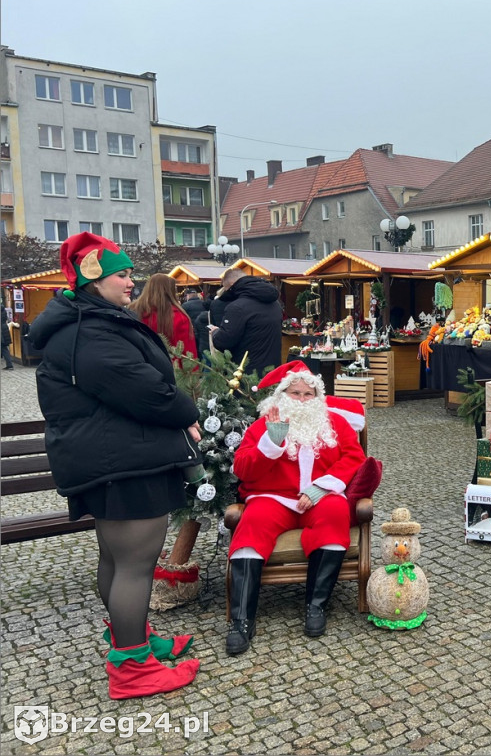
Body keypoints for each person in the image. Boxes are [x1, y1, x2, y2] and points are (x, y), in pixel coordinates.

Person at [30, 232, 202, 699]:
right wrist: (188, 413)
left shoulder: (89, 321)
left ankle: (133, 640)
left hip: (116, 456)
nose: (131, 282)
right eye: (122, 275)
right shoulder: (90, 330)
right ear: (93, 279)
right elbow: (142, 389)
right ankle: (132, 668)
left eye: (130, 273)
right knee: (134, 564)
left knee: (117, 558)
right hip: (124, 461)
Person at [226, 360, 369, 655]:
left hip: (320, 497)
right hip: (272, 497)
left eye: (308, 394)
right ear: (281, 396)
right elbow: (242, 467)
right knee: (252, 525)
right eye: (295, 393)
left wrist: (323, 486)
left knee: (334, 514)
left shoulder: (335, 423)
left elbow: (354, 458)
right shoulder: (263, 424)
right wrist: (272, 442)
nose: (302, 400)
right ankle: (242, 620)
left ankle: (315, 606)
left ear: (318, 399)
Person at [209, 267, 283, 375]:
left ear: (232, 285)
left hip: (245, 373)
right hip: (272, 369)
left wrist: (215, 332)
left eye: (226, 289)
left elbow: (224, 342)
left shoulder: (237, 307)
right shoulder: (275, 303)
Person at [128, 274, 198, 367]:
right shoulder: (179, 316)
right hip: (172, 371)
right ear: (171, 291)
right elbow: (188, 352)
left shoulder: (132, 311)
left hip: (138, 367)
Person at [181, 288, 211, 360]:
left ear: (188, 295)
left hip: (192, 330)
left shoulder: (185, 305)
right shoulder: (204, 303)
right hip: (205, 330)